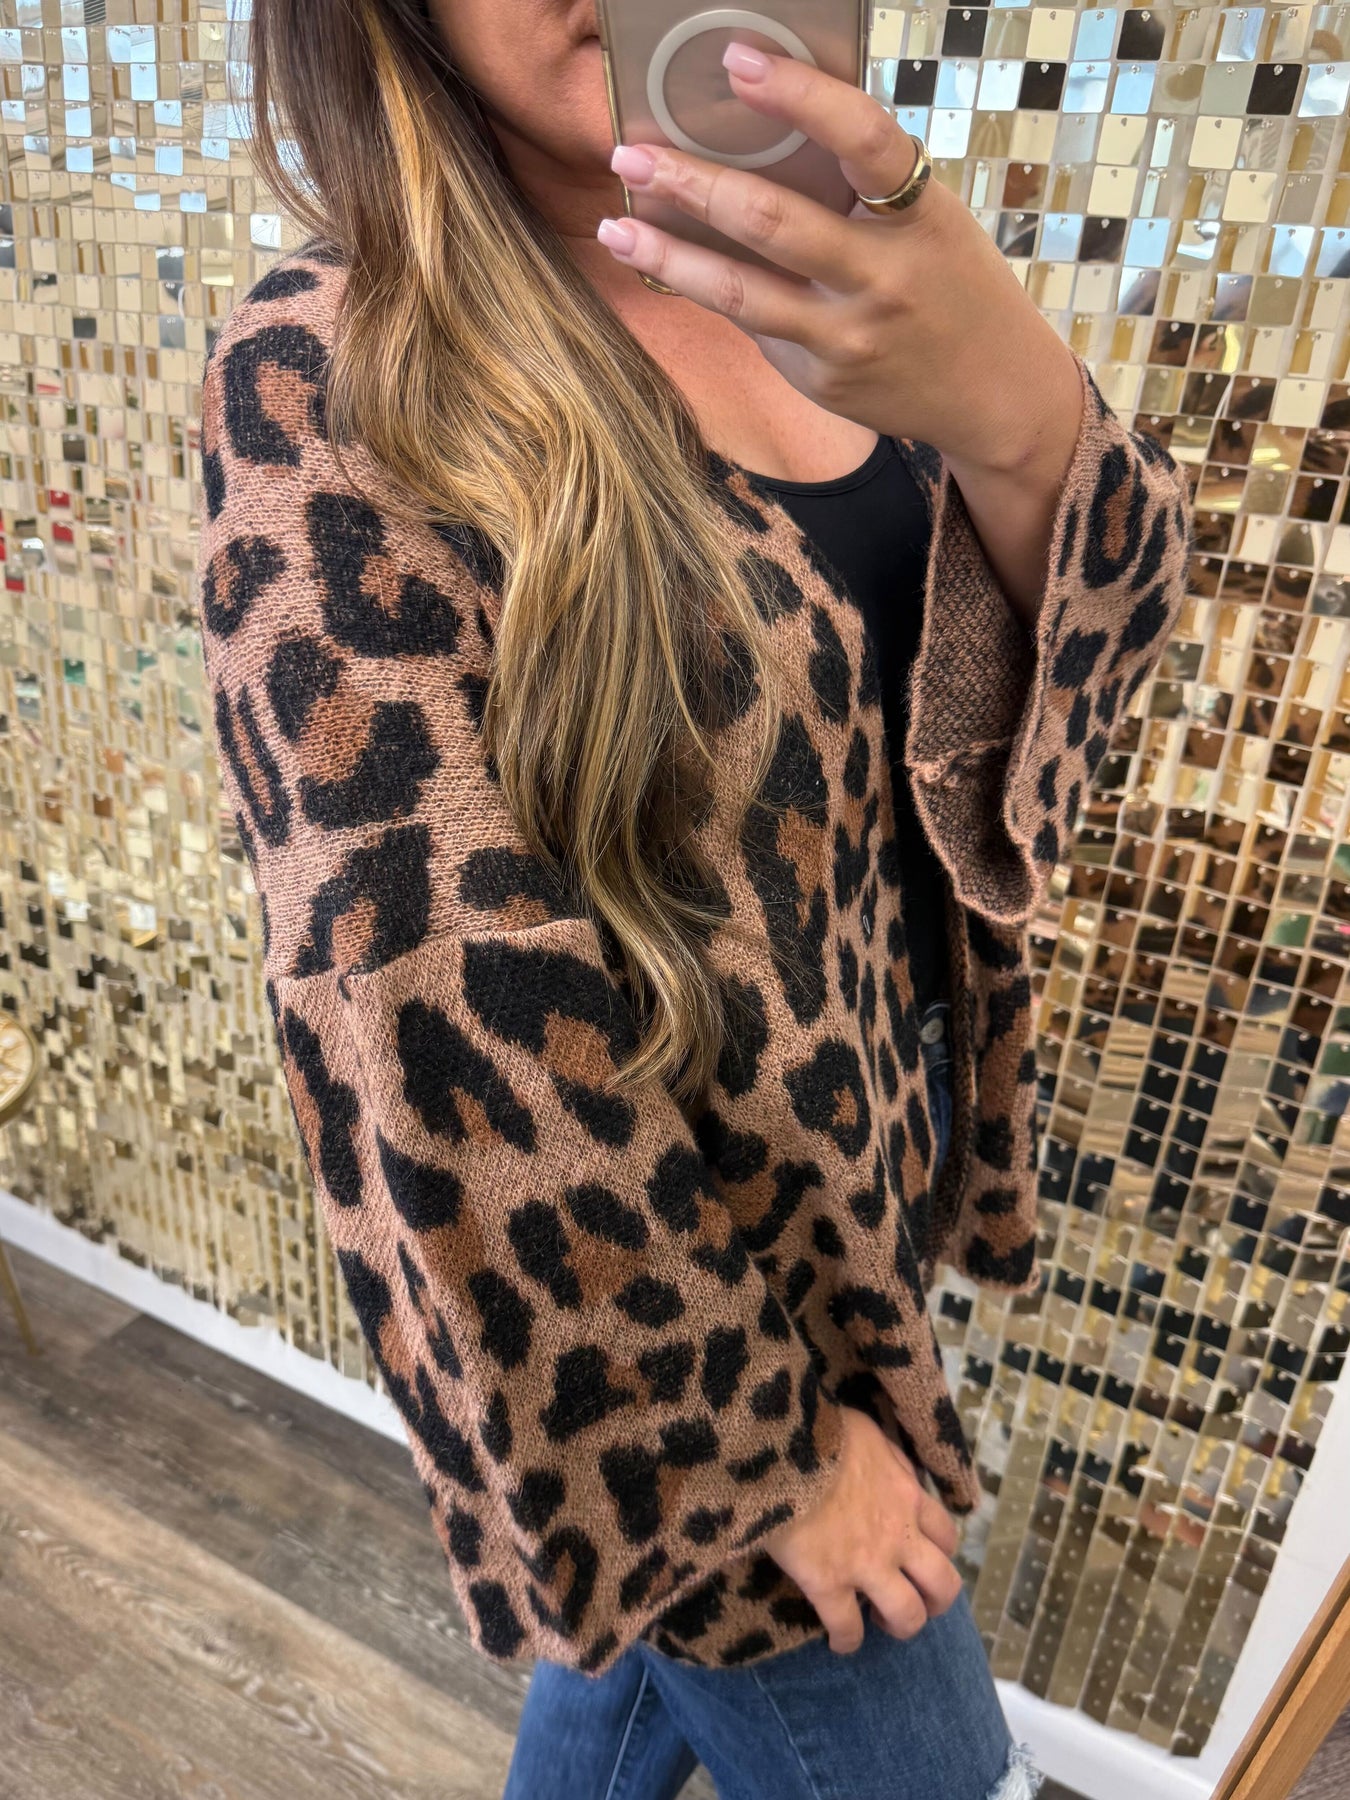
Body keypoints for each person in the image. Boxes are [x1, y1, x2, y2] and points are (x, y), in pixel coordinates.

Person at [195, 1, 1194, 1795]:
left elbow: (1059, 715)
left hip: (867, 1184)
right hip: (675, 1323)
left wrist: (1023, 419)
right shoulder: (343, 370)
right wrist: (759, 1463)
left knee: (626, 1688)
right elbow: (422, 1006)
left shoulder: (836, 273)